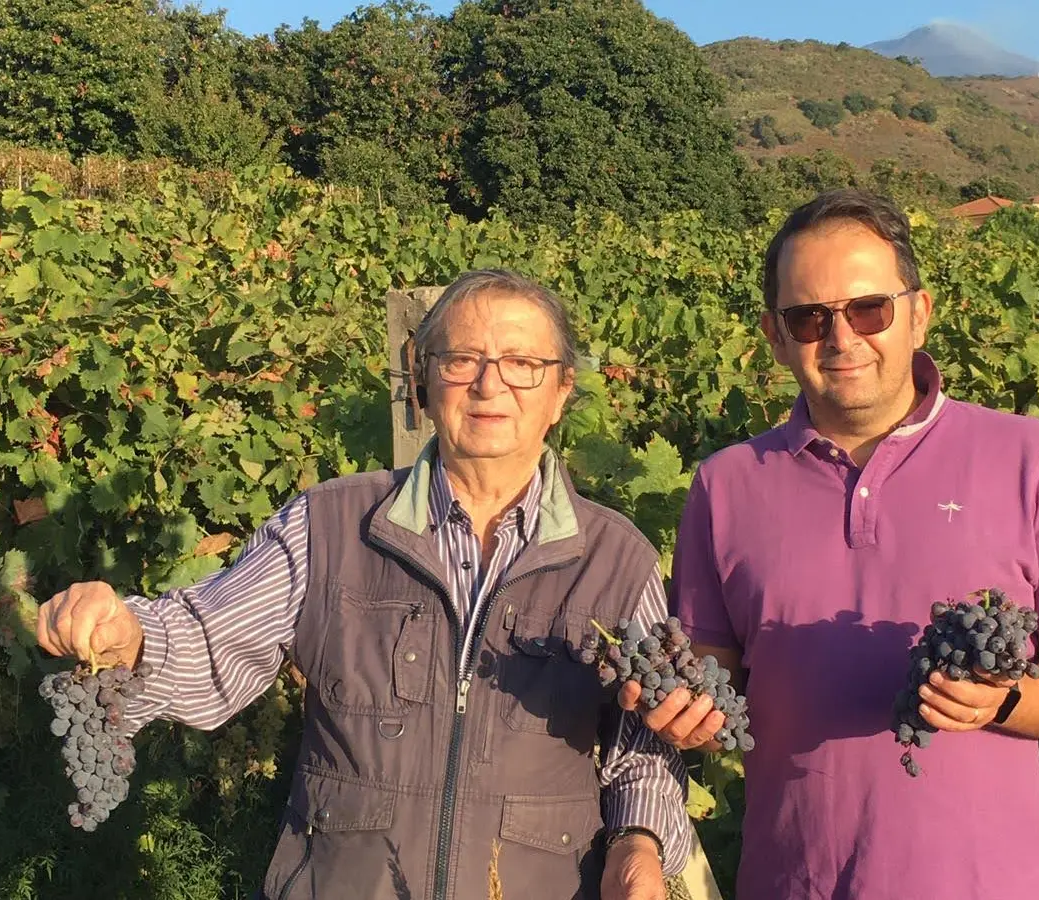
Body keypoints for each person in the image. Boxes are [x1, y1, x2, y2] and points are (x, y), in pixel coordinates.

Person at [36, 270, 691, 900]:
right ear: (424, 379)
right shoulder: (327, 524)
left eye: (522, 363)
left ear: (561, 391)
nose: (490, 384)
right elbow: (209, 641)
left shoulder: (617, 559)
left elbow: (645, 745)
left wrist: (637, 843)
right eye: (461, 359)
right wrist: (130, 636)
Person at [623, 189, 1039, 899]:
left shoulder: (1035, 459)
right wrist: (687, 719)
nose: (841, 338)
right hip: (791, 884)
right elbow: (716, 691)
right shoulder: (725, 485)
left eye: (869, 309)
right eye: (809, 317)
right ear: (775, 335)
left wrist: (1003, 699)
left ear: (919, 313)